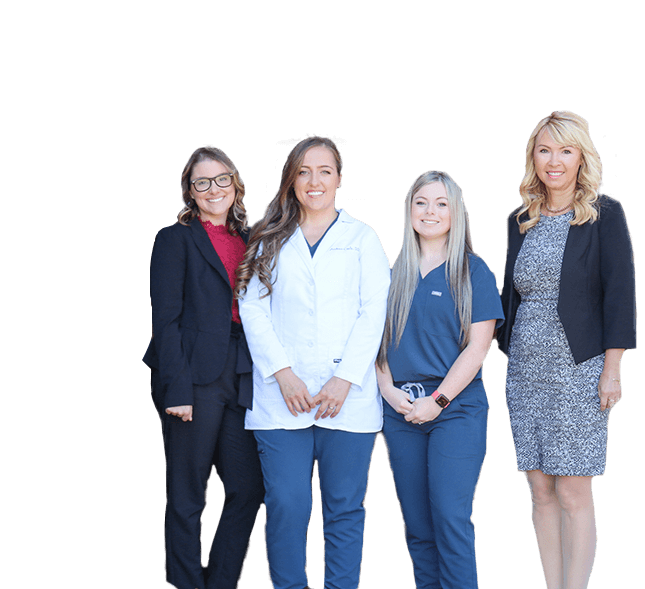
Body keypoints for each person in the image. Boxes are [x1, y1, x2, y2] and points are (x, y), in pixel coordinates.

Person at [235, 136, 391, 589]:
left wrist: (344, 380)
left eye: (325, 171)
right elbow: (252, 308)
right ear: (291, 181)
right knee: (287, 503)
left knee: (344, 506)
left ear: (339, 179)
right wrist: (282, 374)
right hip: (283, 399)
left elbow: (373, 312)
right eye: (304, 171)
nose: (314, 181)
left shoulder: (362, 238)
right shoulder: (269, 237)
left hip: (348, 400)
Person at [497, 111, 636, 589]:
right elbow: (512, 296)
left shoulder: (604, 213)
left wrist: (612, 369)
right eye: (544, 150)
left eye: (566, 150)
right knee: (539, 486)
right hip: (525, 370)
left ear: (582, 157)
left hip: (580, 368)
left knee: (573, 487)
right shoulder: (520, 220)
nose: (554, 161)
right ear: (533, 157)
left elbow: (620, 294)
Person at [375, 170, 504, 589]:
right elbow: (373, 342)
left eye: (441, 203)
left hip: (455, 411)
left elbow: (478, 347)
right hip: (400, 412)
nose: (430, 212)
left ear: (456, 212)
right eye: (421, 202)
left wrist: (439, 400)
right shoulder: (390, 272)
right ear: (409, 209)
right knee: (417, 526)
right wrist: (386, 391)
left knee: (449, 517)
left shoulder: (473, 271)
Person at [143, 145, 264, 589]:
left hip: (241, 372)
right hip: (193, 375)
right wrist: (177, 389)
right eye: (202, 182)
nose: (213, 190)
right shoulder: (175, 240)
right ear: (189, 192)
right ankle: (186, 583)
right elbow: (167, 320)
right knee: (189, 492)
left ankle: (221, 582)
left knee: (249, 486)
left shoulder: (252, 239)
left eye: (221, 180)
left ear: (235, 184)